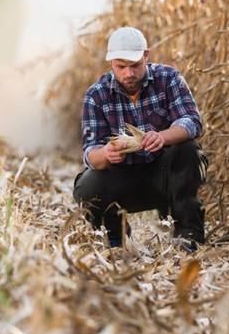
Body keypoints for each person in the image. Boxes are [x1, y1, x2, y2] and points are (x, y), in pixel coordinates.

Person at [73, 26, 208, 250]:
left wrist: (163, 137)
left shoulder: (168, 78)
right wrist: (106, 154)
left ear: (146, 55)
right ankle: (115, 234)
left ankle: (188, 234)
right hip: (123, 180)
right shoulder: (96, 95)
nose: (129, 73)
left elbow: (192, 121)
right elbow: (90, 154)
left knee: (189, 151)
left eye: (135, 65)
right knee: (86, 187)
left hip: (165, 176)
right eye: (121, 67)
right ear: (111, 63)